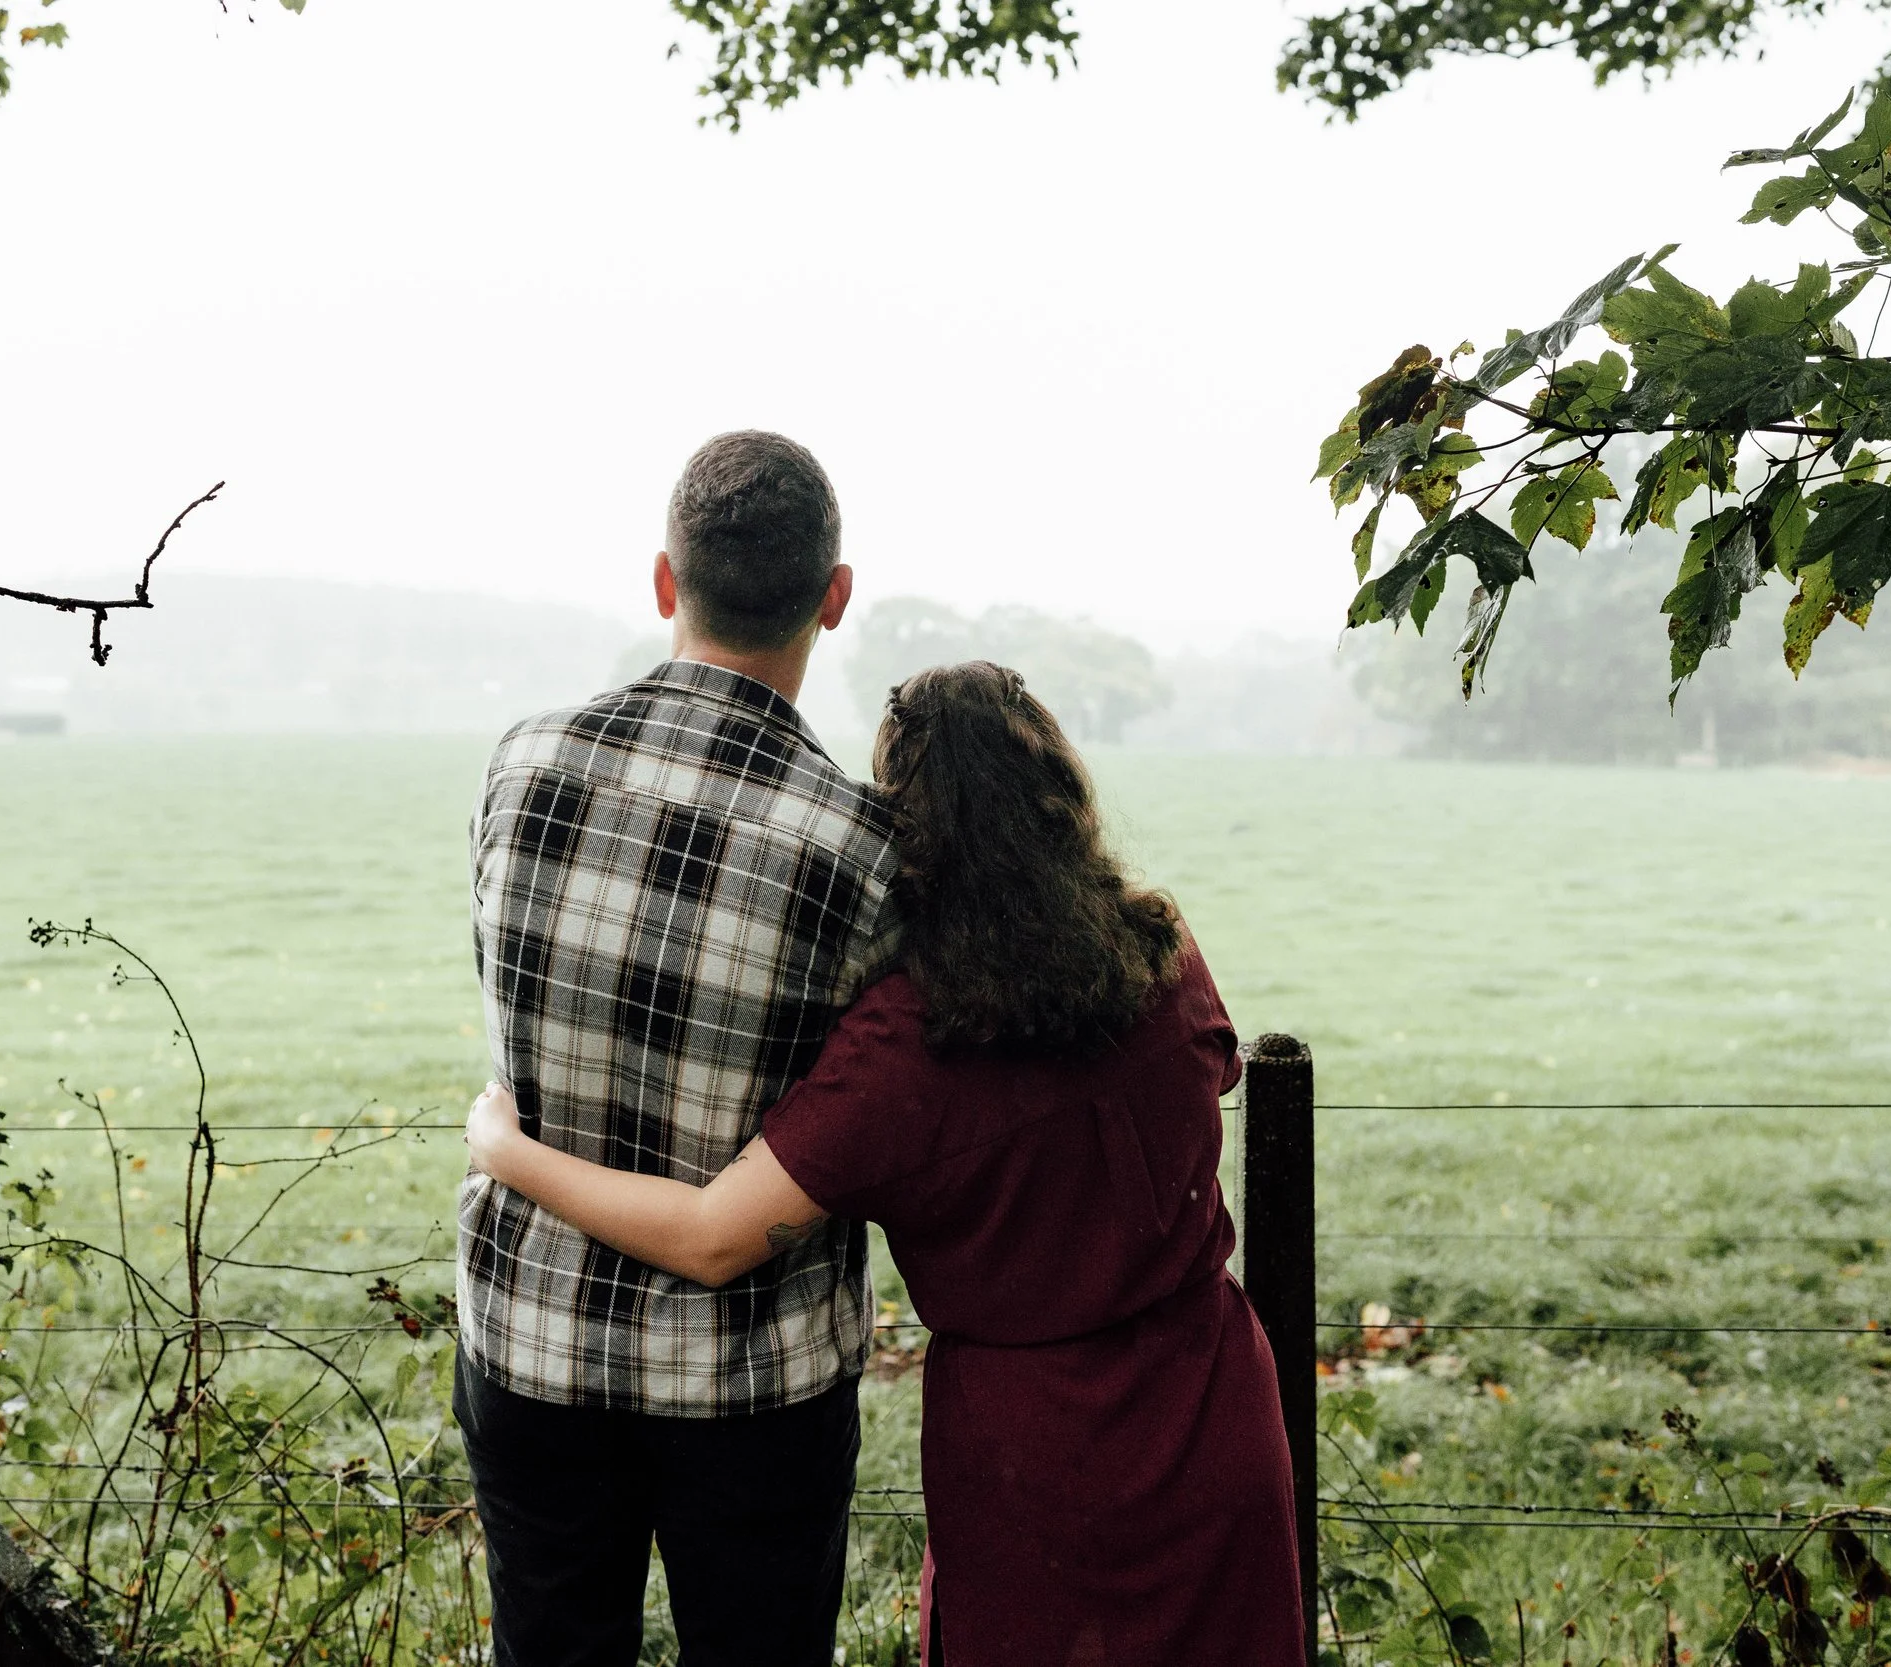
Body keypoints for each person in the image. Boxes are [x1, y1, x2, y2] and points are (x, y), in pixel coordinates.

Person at [466, 660, 1304, 1667]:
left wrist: (507, 1150)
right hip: (1209, 1395)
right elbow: (1208, 1075)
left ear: (909, 830)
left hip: (1031, 1447)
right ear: (1059, 789)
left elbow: (711, 1234)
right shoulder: (1158, 945)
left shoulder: (910, 1040)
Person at [458, 431, 901, 1665]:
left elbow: (513, 1025)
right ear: (834, 596)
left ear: (666, 580)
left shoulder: (521, 765)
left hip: (531, 1341)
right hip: (754, 1378)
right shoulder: (863, 849)